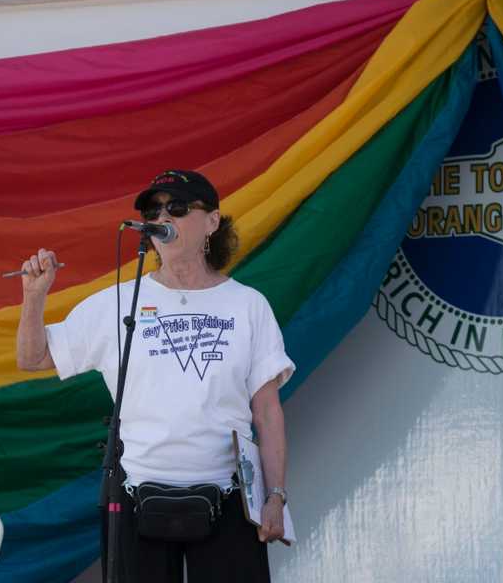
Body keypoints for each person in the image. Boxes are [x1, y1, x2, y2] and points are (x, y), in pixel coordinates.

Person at [16, 169, 295, 583]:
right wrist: (33, 297)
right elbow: (33, 358)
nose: (164, 216)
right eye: (154, 209)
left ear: (212, 222)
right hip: (138, 498)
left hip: (230, 495)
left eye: (178, 208)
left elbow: (268, 412)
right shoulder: (119, 301)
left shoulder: (247, 305)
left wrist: (275, 496)